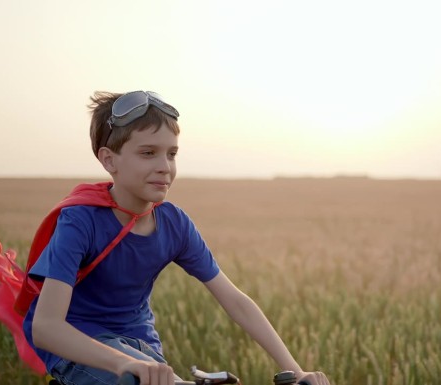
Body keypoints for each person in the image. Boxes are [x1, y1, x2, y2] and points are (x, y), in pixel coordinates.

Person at [23, 90, 330, 385]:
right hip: (82, 348)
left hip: (144, 352)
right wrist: (125, 363)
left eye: (171, 154)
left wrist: (296, 371)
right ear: (109, 160)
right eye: (148, 153)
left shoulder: (175, 224)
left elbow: (236, 302)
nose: (164, 167)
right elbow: (47, 328)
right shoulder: (80, 220)